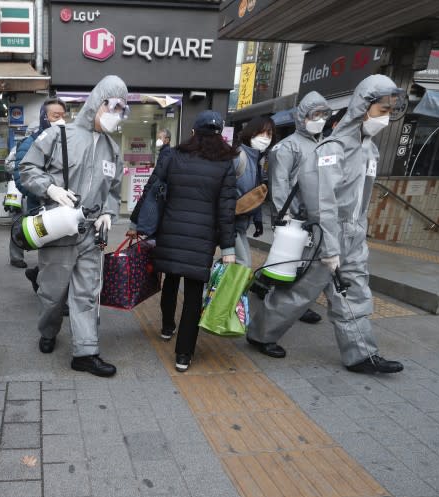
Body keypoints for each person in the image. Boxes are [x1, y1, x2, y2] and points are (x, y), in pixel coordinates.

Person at [246, 75, 406, 375]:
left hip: (353, 233)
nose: (386, 117)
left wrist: (359, 231)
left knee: (354, 291)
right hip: (324, 234)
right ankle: (260, 334)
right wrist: (329, 247)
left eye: (390, 111)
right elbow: (323, 203)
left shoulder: (368, 149)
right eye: (382, 109)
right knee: (299, 292)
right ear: (364, 106)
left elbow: (363, 196)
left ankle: (361, 354)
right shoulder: (332, 149)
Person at [19, 75, 127, 377]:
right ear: (97, 103)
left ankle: (86, 352)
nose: (116, 114)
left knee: (87, 294)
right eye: (113, 106)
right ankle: (49, 330)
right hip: (59, 228)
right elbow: (27, 168)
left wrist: (108, 212)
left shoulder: (112, 149)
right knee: (53, 294)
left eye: (122, 108)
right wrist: (50, 189)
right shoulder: (58, 136)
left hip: (92, 233)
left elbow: (114, 190)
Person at [152, 111, 238, 371]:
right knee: (192, 295)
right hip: (202, 237)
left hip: (171, 229)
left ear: (193, 133)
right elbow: (226, 209)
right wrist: (228, 247)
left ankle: (167, 327)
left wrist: (138, 224)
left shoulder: (174, 156)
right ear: (220, 135)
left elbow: (154, 189)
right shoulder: (225, 164)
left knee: (170, 279)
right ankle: (183, 355)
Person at [265, 92, 335, 326]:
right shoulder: (286, 147)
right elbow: (279, 183)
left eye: (323, 115)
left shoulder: (324, 145)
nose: (320, 120)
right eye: (315, 115)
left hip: (316, 216)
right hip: (294, 218)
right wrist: (284, 216)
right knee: (288, 264)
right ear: (302, 116)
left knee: (303, 264)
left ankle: (293, 303)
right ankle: (279, 306)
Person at [10, 100, 68, 271]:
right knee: (46, 251)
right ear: (45, 118)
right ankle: (40, 280)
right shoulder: (31, 143)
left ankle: (42, 278)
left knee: (60, 252)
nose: (61, 120)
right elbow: (21, 177)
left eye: (64, 116)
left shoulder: (66, 140)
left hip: (63, 206)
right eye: (56, 116)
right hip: (40, 206)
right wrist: (45, 191)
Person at [232, 116, 274, 266]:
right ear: (250, 133)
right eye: (260, 133)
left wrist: (258, 219)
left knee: (235, 265)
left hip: (241, 225)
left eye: (268, 134)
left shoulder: (257, 160)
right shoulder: (239, 156)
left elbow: (256, 194)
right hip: (231, 223)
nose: (265, 138)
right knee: (242, 265)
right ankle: (215, 289)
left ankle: (215, 289)